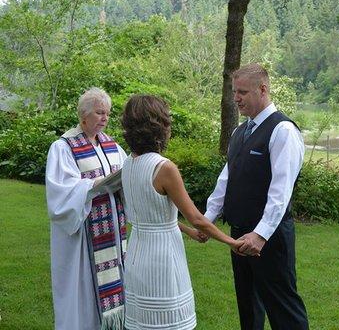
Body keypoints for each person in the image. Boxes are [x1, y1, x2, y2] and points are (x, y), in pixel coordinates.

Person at [120, 94, 243, 329]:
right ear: (159, 126)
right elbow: (197, 217)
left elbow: (154, 217)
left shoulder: (128, 164)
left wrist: (189, 232)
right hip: (163, 258)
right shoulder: (164, 168)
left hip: (136, 254)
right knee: (170, 323)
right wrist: (232, 242)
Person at [205, 63, 309, 330]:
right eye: (234, 92)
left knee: (283, 308)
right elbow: (226, 179)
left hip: (270, 239)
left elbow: (281, 191)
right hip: (238, 234)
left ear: (263, 90)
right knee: (248, 310)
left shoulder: (282, 131)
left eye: (242, 92)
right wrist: (207, 219)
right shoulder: (239, 132)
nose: (236, 98)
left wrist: (261, 234)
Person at [45, 87, 128, 330]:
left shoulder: (111, 146)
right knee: (81, 286)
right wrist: (94, 186)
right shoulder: (63, 147)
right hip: (82, 235)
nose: (105, 118)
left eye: (108, 113)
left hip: (112, 231)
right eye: (99, 113)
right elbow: (61, 191)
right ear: (83, 115)